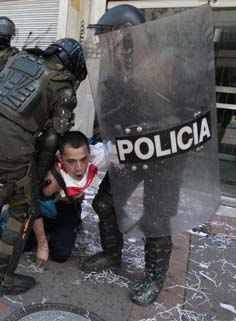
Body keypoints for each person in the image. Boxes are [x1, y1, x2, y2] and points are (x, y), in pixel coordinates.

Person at [0, 38, 87, 297]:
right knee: (24, 209)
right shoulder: (64, 87)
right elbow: (53, 138)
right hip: (9, 142)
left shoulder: (20, 58)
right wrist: (38, 175)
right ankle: (2, 280)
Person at [81, 5, 175, 306]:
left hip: (164, 156)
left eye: (110, 36)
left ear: (128, 35)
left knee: (156, 219)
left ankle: (153, 277)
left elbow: (189, 110)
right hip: (128, 153)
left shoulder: (167, 64)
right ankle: (112, 253)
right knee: (104, 202)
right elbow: (108, 111)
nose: (105, 43)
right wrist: (104, 142)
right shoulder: (115, 69)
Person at [23, 131, 107, 263]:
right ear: (60, 159)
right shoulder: (51, 179)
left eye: (83, 159)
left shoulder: (97, 158)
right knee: (23, 245)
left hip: (68, 207)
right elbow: (32, 206)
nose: (79, 168)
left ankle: (70, 223)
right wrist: (42, 244)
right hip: (39, 209)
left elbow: (118, 150)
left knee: (60, 255)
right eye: (71, 161)